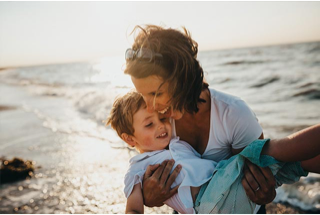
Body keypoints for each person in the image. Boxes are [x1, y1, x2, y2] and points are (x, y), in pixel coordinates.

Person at [124, 24, 274, 213]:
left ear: (183, 79)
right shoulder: (158, 122)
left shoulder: (234, 114)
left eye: (156, 93)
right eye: (142, 95)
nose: (150, 106)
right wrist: (149, 197)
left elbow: (258, 181)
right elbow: (149, 167)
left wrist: (265, 192)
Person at [106, 91, 320, 214]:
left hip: (226, 189)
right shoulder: (137, 168)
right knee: (267, 151)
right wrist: (147, 198)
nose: (161, 126)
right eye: (149, 125)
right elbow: (133, 209)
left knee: (294, 163)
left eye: (162, 119)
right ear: (129, 138)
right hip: (208, 202)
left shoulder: (177, 143)